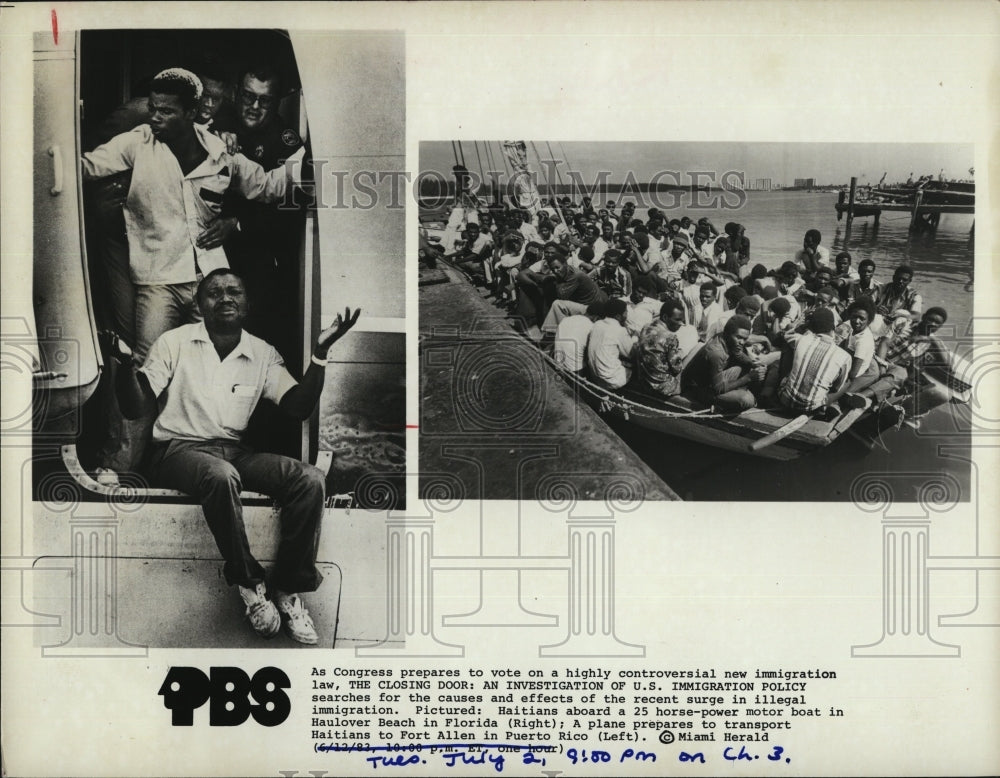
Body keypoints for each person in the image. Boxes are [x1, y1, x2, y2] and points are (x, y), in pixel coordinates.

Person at [114, 269, 360, 643]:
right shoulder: (173, 342)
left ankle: (287, 588)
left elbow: (298, 407)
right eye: (214, 293)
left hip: (233, 452)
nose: (225, 298)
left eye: (234, 291)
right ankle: (250, 584)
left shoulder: (262, 353)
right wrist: (124, 367)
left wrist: (320, 354)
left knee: (309, 479)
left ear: (247, 304)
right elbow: (135, 407)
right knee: (220, 474)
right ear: (199, 305)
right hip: (177, 451)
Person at [81, 68, 304, 476]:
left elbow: (268, 186)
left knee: (215, 367)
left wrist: (314, 157)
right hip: (158, 282)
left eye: (166, 111)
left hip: (210, 282)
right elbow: (85, 167)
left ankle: (203, 463)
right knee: (145, 373)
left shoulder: (220, 152)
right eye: (153, 108)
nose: (154, 117)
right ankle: (121, 467)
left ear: (189, 113)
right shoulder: (136, 144)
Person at [777, 307, 853, 414]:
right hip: (811, 408)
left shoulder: (800, 339)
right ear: (834, 328)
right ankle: (826, 404)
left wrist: (805, 325)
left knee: (789, 348)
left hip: (785, 399)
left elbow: (787, 335)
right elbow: (836, 388)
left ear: (811, 327)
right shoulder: (845, 357)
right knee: (848, 382)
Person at [681, 315, 764, 412]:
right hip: (699, 389)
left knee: (745, 367)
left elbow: (738, 354)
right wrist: (748, 378)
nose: (742, 342)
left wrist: (754, 364)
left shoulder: (729, 339)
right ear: (728, 333)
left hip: (712, 381)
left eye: (745, 339)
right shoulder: (716, 353)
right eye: (739, 337)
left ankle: (734, 394)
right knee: (747, 400)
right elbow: (718, 388)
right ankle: (717, 403)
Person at [632, 299, 696, 398]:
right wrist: (680, 354)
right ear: (665, 317)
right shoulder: (669, 337)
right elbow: (677, 369)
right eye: (677, 320)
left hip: (644, 380)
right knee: (697, 349)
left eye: (682, 320)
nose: (681, 324)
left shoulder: (646, 327)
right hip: (663, 387)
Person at [586, 299, 636, 390]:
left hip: (595, 378)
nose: (627, 315)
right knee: (637, 365)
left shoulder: (597, 324)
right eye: (626, 312)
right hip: (612, 380)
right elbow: (631, 354)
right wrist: (635, 337)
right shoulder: (619, 330)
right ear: (618, 316)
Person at [553, 302, 604, 374]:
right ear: (596, 318)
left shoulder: (566, 319)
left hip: (558, 366)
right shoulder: (591, 327)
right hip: (575, 371)